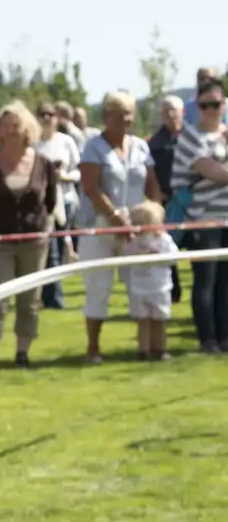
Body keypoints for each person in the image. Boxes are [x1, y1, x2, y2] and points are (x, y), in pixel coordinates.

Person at [0, 102, 58, 374]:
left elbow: (51, 202)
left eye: (15, 126)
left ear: (27, 129)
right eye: (4, 126)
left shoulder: (43, 164)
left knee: (30, 301)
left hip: (35, 243)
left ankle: (22, 354)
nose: (9, 131)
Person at [77, 91, 162, 363]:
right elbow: (91, 188)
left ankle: (145, 347)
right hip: (99, 226)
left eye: (129, 114)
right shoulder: (93, 147)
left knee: (142, 284)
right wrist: (117, 219)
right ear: (106, 117)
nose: (125, 120)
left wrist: (154, 213)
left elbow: (152, 183)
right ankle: (93, 348)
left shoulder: (141, 146)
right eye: (118, 115)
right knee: (98, 286)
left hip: (137, 228)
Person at [171, 78, 228, 353]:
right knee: (205, 279)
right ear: (198, 107)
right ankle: (208, 339)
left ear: (224, 104)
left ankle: (225, 336)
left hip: (226, 218)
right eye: (205, 105)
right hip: (202, 219)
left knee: (226, 280)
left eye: (216, 104)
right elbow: (215, 174)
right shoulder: (190, 137)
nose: (211, 110)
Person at [34, 101, 80, 310]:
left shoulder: (66, 141)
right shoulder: (33, 143)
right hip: (42, 204)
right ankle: (54, 298)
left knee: (61, 248)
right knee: (49, 249)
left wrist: (65, 176)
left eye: (50, 114)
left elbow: (80, 171)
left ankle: (48, 292)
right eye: (42, 114)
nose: (46, 118)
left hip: (66, 199)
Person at [119, 201, 178, 361]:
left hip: (160, 287)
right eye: (135, 222)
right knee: (143, 321)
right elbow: (125, 257)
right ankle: (143, 350)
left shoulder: (164, 239)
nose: (138, 226)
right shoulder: (133, 241)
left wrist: (158, 255)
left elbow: (173, 258)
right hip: (139, 288)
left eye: (142, 223)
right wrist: (134, 250)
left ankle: (161, 349)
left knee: (160, 320)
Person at [148, 95, 185, 303]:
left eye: (174, 110)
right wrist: (158, 194)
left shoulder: (193, 137)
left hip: (196, 201)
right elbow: (151, 174)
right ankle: (173, 289)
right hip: (167, 202)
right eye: (166, 111)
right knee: (168, 246)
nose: (170, 114)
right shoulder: (154, 143)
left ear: (182, 112)